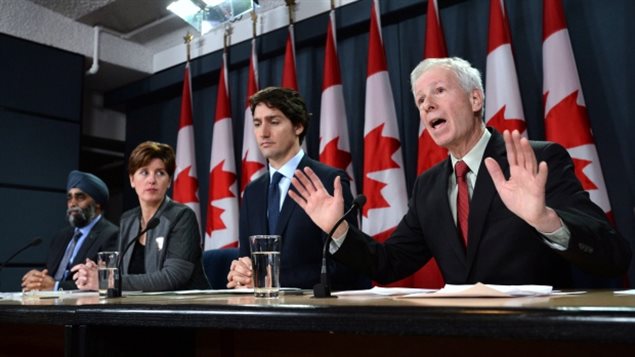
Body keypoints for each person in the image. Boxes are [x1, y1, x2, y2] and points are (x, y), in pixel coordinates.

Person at [288, 57, 631, 288]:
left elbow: (613, 256)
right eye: (420, 100)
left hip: (535, 338)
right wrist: (339, 229)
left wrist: (546, 220)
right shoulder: (429, 186)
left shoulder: (536, 161)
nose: (427, 106)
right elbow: (390, 263)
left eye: (439, 91)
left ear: (475, 99)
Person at [227, 87, 369, 290]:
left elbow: (346, 266)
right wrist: (242, 272)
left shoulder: (329, 180)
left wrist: (274, 281)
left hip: (317, 313)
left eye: (274, 122)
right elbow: (247, 258)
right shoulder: (252, 192)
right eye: (257, 124)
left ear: (298, 126)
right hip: (263, 312)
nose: (263, 132)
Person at [73, 141, 209, 291]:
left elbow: (173, 277)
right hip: (138, 306)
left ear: (169, 181)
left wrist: (109, 282)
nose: (152, 180)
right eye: (144, 172)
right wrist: (97, 273)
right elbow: (121, 272)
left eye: (160, 173)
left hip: (181, 309)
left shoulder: (182, 216)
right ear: (132, 180)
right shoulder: (128, 220)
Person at [21, 170, 118, 292]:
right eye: (69, 197)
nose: (72, 203)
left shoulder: (111, 235)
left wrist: (56, 287)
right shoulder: (61, 236)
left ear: (97, 203)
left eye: (80, 197)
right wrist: (37, 280)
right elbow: (49, 274)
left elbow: (105, 283)